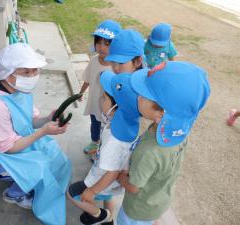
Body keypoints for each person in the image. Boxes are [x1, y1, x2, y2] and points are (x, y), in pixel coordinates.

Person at [0, 43, 71, 225]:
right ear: (7, 73)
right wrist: (43, 131)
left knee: (54, 154)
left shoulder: (19, 90)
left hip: (12, 142)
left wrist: (48, 118)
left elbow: (28, 121)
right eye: (26, 72)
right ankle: (14, 194)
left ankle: (27, 185)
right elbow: (8, 148)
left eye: (34, 71)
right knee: (41, 167)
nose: (32, 76)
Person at [117, 61, 210, 225]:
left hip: (137, 211)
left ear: (161, 115)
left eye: (143, 95)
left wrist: (119, 176)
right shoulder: (179, 133)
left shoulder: (148, 152)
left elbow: (133, 187)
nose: (138, 96)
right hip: (160, 200)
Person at [67, 29, 145, 225]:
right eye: (114, 62)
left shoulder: (115, 136)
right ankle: (109, 220)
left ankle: (102, 216)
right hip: (112, 176)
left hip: (103, 178)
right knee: (108, 196)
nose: (116, 68)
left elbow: (112, 171)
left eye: (103, 97)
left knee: (74, 194)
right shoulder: (126, 115)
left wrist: (92, 190)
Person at [79, 19, 122, 155]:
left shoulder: (116, 67)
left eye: (107, 44)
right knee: (94, 124)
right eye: (98, 42)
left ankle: (103, 148)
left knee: (106, 128)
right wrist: (81, 93)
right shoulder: (93, 61)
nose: (101, 47)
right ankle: (95, 142)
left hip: (108, 108)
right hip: (93, 102)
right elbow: (87, 79)